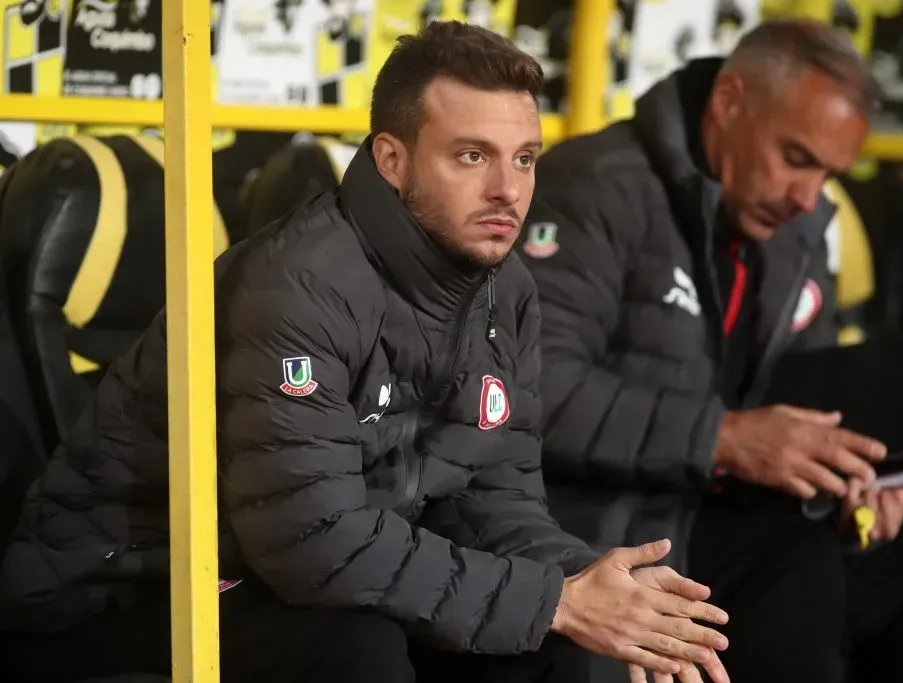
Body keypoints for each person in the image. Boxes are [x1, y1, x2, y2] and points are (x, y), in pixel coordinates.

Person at [0, 21, 730, 683]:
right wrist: (554, 600)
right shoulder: (301, 282)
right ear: (391, 158)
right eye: (472, 156)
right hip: (118, 590)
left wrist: (593, 588)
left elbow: (497, 502)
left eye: (526, 158)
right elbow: (312, 538)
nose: (509, 189)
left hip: (276, 574)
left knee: (549, 646)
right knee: (358, 649)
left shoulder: (506, 291)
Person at [517, 18, 903, 683]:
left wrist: (847, 482)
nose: (808, 197)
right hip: (610, 531)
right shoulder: (594, 185)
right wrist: (724, 438)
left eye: (828, 172)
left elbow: (804, 405)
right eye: (796, 158)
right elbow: (533, 389)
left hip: (729, 522)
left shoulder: (796, 232)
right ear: (729, 101)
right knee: (795, 564)